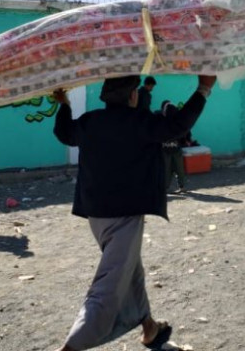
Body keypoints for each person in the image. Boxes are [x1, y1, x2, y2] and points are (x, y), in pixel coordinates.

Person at [52, 75, 216, 351]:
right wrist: (203, 89)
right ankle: (71, 346)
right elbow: (177, 125)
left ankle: (149, 328)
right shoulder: (139, 122)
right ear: (132, 96)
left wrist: (64, 104)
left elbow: (64, 132)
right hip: (125, 215)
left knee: (131, 271)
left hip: (95, 214)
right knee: (110, 283)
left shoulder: (90, 121)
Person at [161, 100, 188, 193]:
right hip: (175, 149)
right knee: (179, 169)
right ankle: (181, 186)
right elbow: (184, 134)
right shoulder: (177, 122)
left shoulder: (161, 121)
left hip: (165, 149)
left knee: (166, 169)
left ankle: (166, 188)